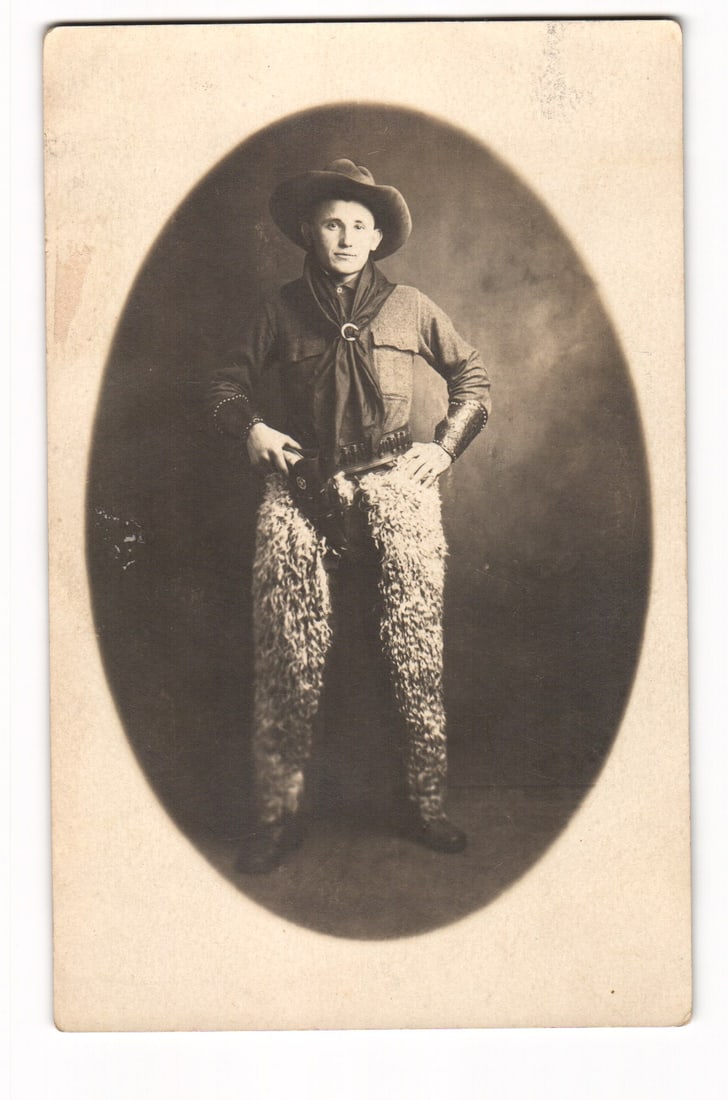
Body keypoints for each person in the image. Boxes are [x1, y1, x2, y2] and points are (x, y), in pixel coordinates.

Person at [208, 159, 491, 873]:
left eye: (359, 226)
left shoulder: (413, 306)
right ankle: (278, 815)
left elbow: (474, 382)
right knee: (286, 651)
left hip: (397, 479)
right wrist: (253, 431)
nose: (345, 236)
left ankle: (423, 803)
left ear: (377, 238)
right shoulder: (278, 309)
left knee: (416, 649)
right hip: (306, 480)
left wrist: (445, 448)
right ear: (309, 229)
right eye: (333, 222)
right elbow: (224, 384)